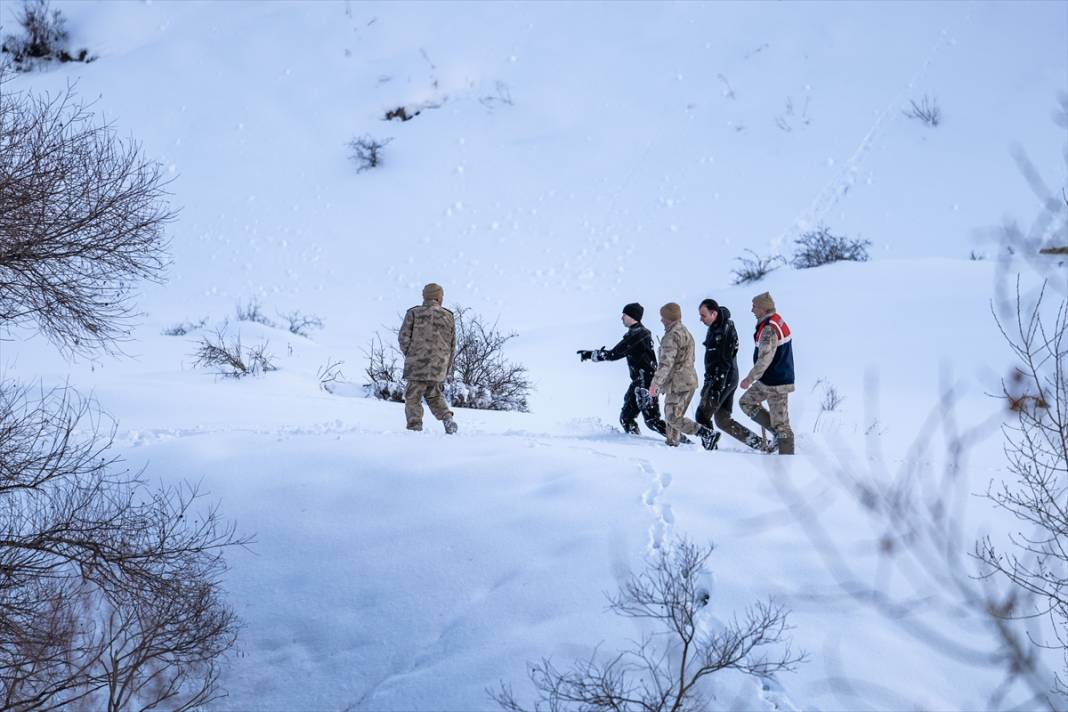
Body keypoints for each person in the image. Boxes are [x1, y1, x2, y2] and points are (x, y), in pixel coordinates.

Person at [578, 303, 668, 437]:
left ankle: (681, 443)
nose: (621, 318)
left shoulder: (638, 335)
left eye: (624, 315)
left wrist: (590, 354)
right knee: (626, 418)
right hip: (639, 382)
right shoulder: (635, 333)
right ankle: (634, 442)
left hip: (646, 383)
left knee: (652, 421)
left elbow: (614, 354)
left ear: (632, 316)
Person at [694, 298, 767, 451]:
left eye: (703, 315)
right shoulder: (716, 326)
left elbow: (724, 361)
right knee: (722, 419)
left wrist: (715, 388)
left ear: (714, 313)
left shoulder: (725, 329)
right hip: (723, 378)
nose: (700, 319)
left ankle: (709, 450)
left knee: (702, 415)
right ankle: (759, 444)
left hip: (724, 378)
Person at [398, 282, 458, 434]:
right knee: (434, 395)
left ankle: (414, 427)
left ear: (425, 296)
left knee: (413, 397)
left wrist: (411, 354)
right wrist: (446, 367)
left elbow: (403, 338)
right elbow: (452, 345)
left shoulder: (414, 313)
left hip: (416, 363)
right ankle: (447, 418)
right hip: (439, 365)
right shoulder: (449, 316)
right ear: (439, 297)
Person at [739, 291, 795, 454]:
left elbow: (765, 358)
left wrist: (749, 379)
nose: (752, 310)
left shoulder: (769, 329)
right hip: (772, 379)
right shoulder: (777, 320)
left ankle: (787, 457)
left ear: (763, 309)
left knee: (782, 424)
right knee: (747, 403)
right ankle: (778, 436)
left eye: (754, 307)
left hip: (776, 381)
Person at [647, 302, 706, 447]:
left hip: (678, 384)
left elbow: (666, 364)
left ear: (669, 318)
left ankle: (705, 433)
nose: (661, 320)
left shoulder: (671, 336)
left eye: (663, 317)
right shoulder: (685, 332)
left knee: (672, 417)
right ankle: (672, 444)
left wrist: (655, 384)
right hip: (688, 381)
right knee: (673, 419)